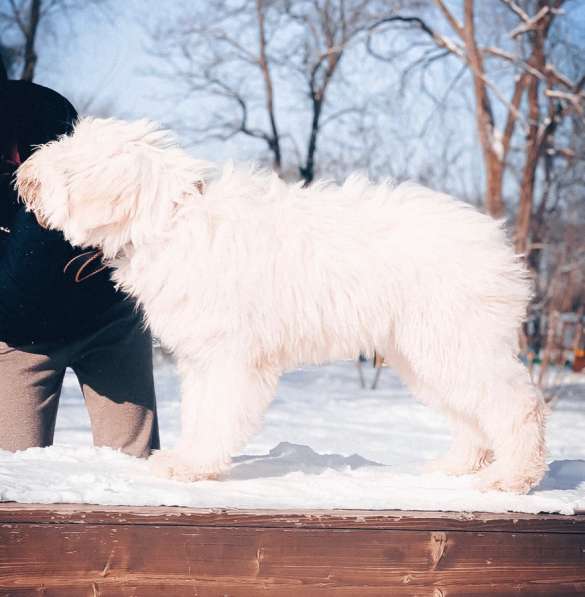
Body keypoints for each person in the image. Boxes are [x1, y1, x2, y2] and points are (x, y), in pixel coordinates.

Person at [0, 59, 159, 456]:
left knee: (135, 472)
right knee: (15, 481)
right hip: (18, 337)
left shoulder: (48, 115)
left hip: (107, 319)